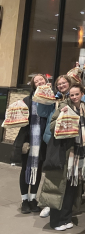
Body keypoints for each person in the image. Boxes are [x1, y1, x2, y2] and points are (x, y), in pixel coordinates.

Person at [39, 83, 85, 231]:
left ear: (82, 94)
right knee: (58, 187)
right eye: (71, 94)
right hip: (64, 153)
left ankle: (66, 218)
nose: (74, 97)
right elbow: (52, 126)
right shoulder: (63, 105)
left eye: (76, 94)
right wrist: (63, 114)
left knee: (72, 188)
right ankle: (56, 221)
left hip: (79, 154)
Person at [37, 74, 74, 218]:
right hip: (51, 139)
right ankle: (48, 204)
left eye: (64, 83)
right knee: (51, 173)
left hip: (67, 140)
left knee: (65, 175)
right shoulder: (55, 98)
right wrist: (44, 99)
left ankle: (62, 205)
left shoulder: (76, 96)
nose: (61, 86)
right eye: (59, 84)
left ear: (69, 83)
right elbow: (42, 113)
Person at [11, 74, 48, 214]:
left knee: (37, 170)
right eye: (36, 81)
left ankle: (33, 199)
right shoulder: (27, 100)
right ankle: (24, 200)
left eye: (41, 80)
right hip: (28, 141)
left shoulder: (49, 101)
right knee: (26, 169)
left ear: (46, 82)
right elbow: (21, 122)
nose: (39, 82)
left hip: (42, 142)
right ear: (33, 85)